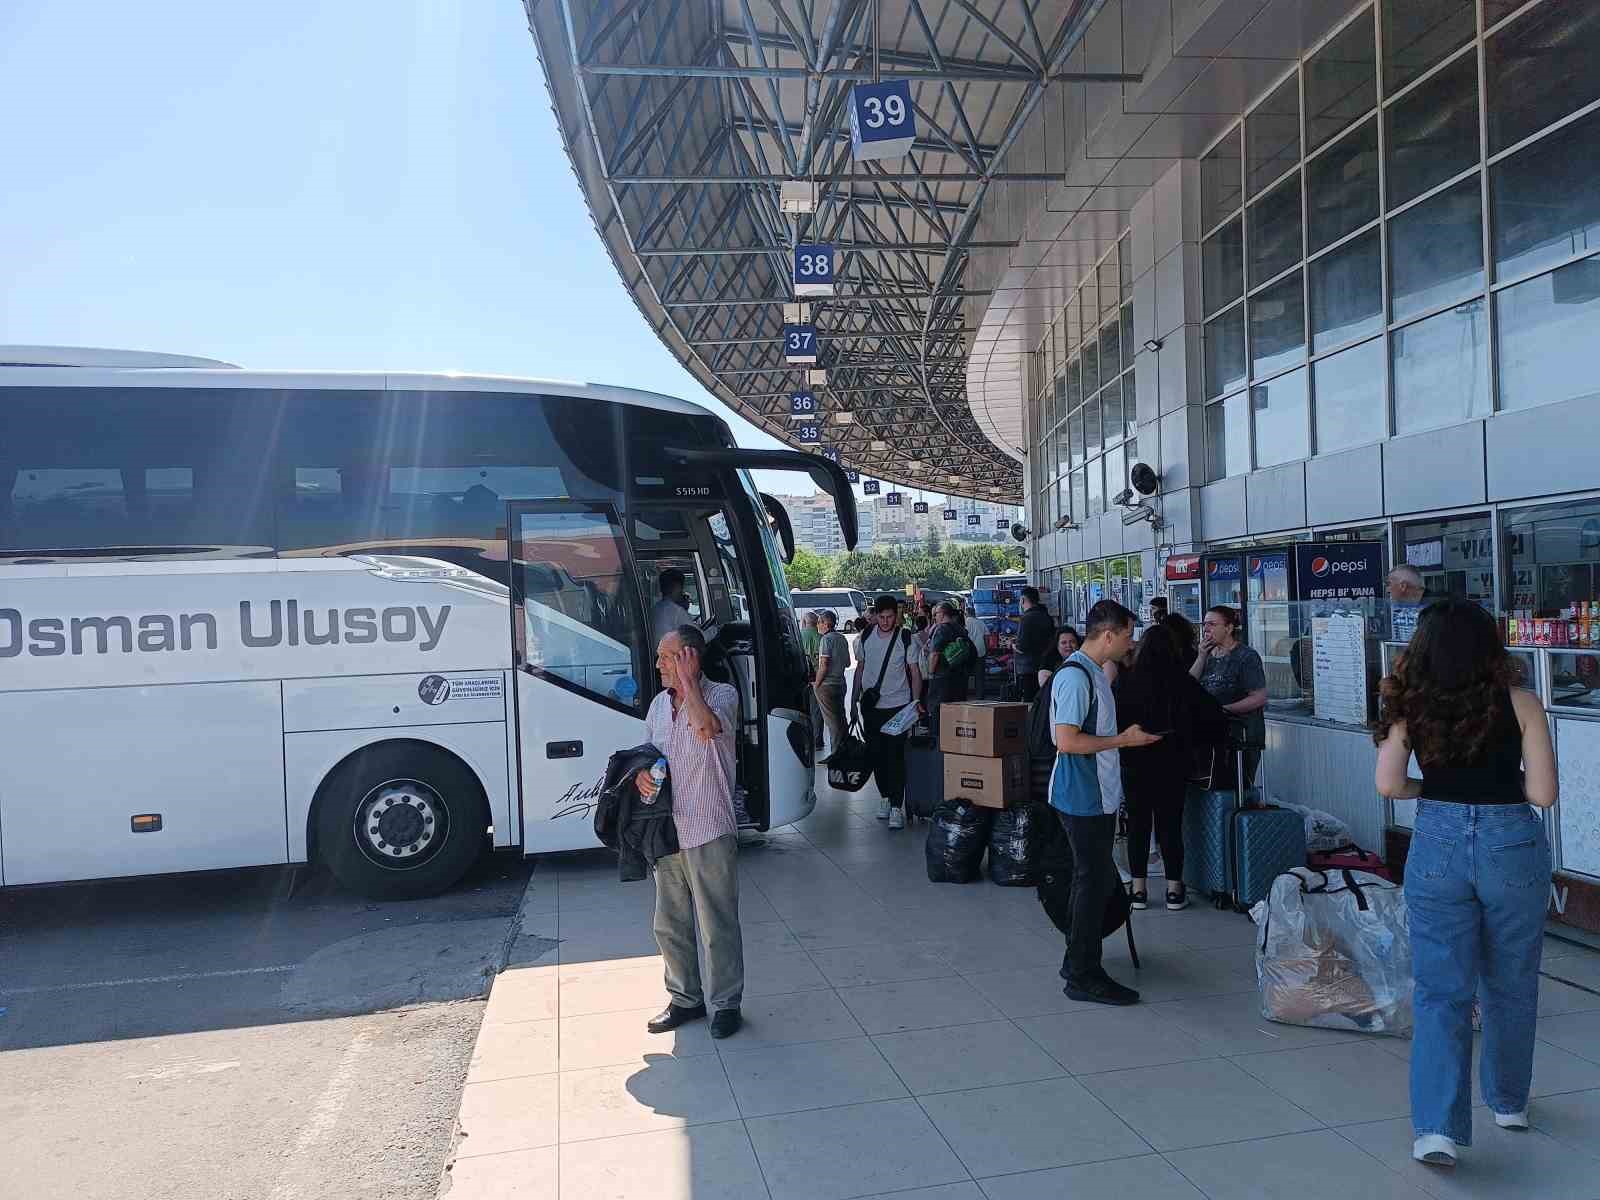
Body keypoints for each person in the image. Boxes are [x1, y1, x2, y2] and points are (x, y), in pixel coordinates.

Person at [1374, 600, 1557, 1168]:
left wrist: (1435, 792)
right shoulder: (1522, 701)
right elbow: (1544, 796)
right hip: (1511, 846)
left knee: (1440, 989)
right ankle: (1508, 1103)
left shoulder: (1412, 706)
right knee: (1511, 981)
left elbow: (1388, 784)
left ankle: (1436, 1129)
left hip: (1438, 844)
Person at [1048, 599, 1162, 1005]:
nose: (1132, 643)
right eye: (1129, 635)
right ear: (1109, 635)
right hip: (1082, 798)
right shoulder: (1076, 678)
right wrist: (1123, 740)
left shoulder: (1094, 673)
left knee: (1090, 883)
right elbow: (1067, 740)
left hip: (1097, 796)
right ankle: (1083, 974)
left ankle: (1076, 962)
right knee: (1091, 884)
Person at [639, 625, 744, 1040]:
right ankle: (685, 998)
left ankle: (726, 1004)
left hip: (709, 828)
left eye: (668, 657)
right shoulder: (658, 706)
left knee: (717, 924)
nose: (659, 664)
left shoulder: (721, 696)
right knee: (670, 923)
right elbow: (648, 754)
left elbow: (707, 729)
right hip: (667, 830)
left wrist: (689, 685)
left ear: (690, 658)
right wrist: (641, 778)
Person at [1115, 624, 1227, 911]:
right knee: (1170, 825)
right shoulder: (1181, 681)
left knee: (1138, 825)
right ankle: (1174, 890)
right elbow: (1213, 717)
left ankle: (1138, 891)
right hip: (1172, 762)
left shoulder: (1127, 681)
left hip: (1134, 761)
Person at [852, 594, 922, 830]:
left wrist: (916, 702)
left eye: (889, 617)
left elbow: (914, 673)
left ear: (896, 615)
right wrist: (853, 701)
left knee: (895, 757)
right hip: (871, 707)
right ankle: (884, 798)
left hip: (898, 707)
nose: (885, 621)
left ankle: (895, 806)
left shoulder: (905, 637)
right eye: (881, 617)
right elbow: (860, 669)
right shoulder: (866, 636)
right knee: (877, 756)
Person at [1190, 605, 1268, 787]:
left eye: (1212, 624)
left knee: (1236, 784)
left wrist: (1223, 710)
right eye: (1204, 624)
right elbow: (1189, 685)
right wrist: (1201, 656)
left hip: (1239, 735)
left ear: (1229, 627)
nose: (1206, 629)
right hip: (1210, 736)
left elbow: (1259, 697)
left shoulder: (1245, 656)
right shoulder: (1206, 655)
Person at [925, 600, 973, 734]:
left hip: (942, 678)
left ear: (943, 613)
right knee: (957, 713)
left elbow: (934, 654)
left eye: (936, 614)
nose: (934, 617)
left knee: (938, 713)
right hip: (960, 677)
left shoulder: (941, 629)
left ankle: (938, 743)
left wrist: (930, 673)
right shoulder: (960, 629)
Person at [813, 610, 849, 761]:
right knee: (841, 718)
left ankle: (836, 755)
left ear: (826, 624)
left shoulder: (825, 640)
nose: (817, 625)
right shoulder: (842, 638)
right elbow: (847, 662)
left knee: (832, 722)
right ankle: (845, 748)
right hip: (841, 683)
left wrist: (817, 684)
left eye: (819, 622)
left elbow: (824, 665)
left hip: (827, 686)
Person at [1015, 586, 1056, 701]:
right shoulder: (1046, 616)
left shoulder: (1026, 619)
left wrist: (1013, 645)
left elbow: (1021, 646)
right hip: (1045, 665)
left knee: (1030, 701)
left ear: (1023, 600)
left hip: (1028, 668)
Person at [650, 568, 693, 645]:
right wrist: (716, 629)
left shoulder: (655, 609)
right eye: (682, 587)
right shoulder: (677, 611)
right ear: (677, 587)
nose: (682, 591)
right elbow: (701, 637)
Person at [800, 610, 823, 749]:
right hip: (819, 679)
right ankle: (817, 741)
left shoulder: (799, 636)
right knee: (817, 712)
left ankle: (806, 741)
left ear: (805, 621)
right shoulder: (822, 637)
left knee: (804, 710)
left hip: (803, 679)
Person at [963, 599, 990, 699]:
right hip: (980, 652)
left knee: (965, 676)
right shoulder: (981, 623)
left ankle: (964, 696)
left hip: (967, 654)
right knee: (979, 677)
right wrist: (986, 649)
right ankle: (979, 697)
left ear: (966, 614)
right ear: (974, 614)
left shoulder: (964, 623)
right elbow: (987, 638)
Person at [1038, 626, 1080, 690]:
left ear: (1077, 644)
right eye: (1064, 643)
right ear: (1057, 646)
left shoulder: (1083, 659)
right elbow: (1046, 689)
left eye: (1072, 642)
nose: (1068, 645)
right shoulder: (1048, 662)